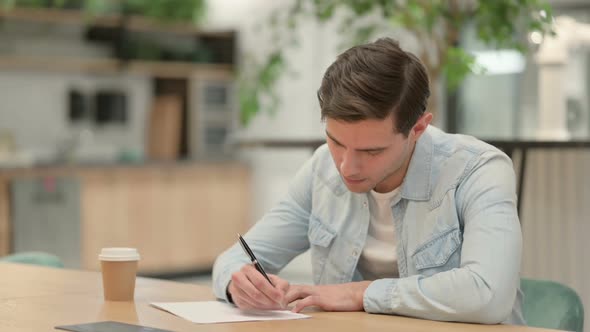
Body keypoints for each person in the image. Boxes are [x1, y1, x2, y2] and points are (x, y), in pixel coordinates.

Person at [212, 37, 524, 325]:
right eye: (336, 141)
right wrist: (237, 282)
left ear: (418, 128)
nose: (347, 166)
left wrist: (360, 293)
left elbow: (489, 295)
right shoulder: (322, 169)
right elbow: (234, 259)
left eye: (371, 151)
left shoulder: (479, 170)